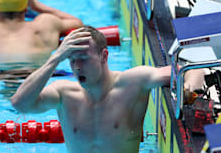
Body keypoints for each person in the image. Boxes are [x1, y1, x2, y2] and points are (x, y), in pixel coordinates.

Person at [11, 26, 206, 152]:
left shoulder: (133, 83)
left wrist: (187, 90)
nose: (77, 66)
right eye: (71, 59)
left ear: (104, 56)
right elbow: (20, 104)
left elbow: (189, 69)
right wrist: (55, 58)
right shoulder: (64, 94)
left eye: (84, 58)